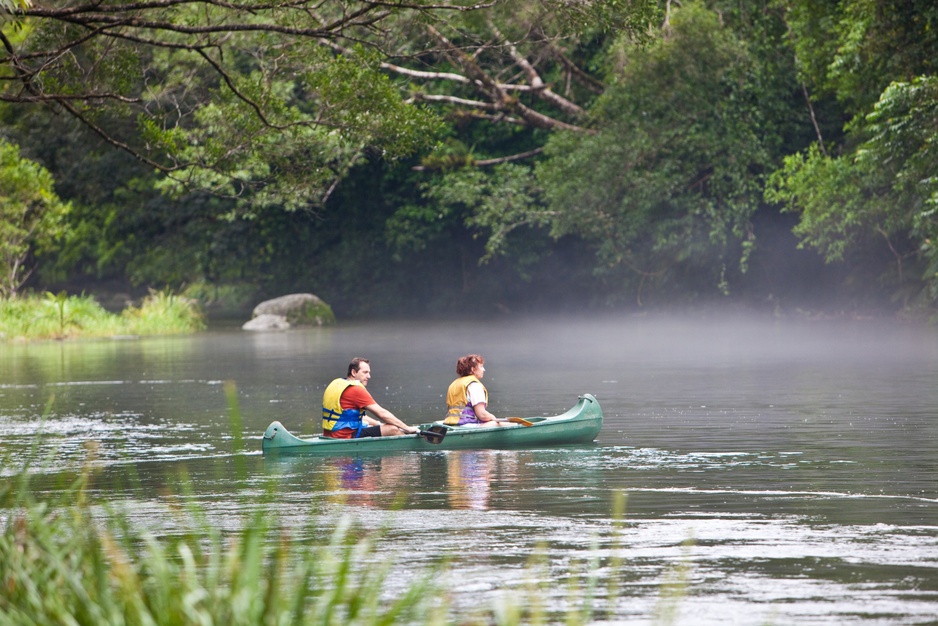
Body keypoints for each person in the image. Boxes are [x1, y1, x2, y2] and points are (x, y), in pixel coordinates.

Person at [322, 357, 419, 438]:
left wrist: (378, 424)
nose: (369, 376)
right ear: (354, 372)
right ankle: (404, 456)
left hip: (330, 434)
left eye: (369, 372)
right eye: (365, 372)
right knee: (392, 429)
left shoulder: (337, 384)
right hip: (345, 436)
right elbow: (382, 413)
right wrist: (407, 428)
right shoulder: (355, 389)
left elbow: (352, 416)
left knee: (374, 425)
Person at [443, 354, 506, 427]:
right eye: (481, 366)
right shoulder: (474, 385)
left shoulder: (454, 384)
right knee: (502, 424)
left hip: (449, 424)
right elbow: (482, 415)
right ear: (473, 369)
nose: (484, 370)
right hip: (466, 424)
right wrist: (493, 418)